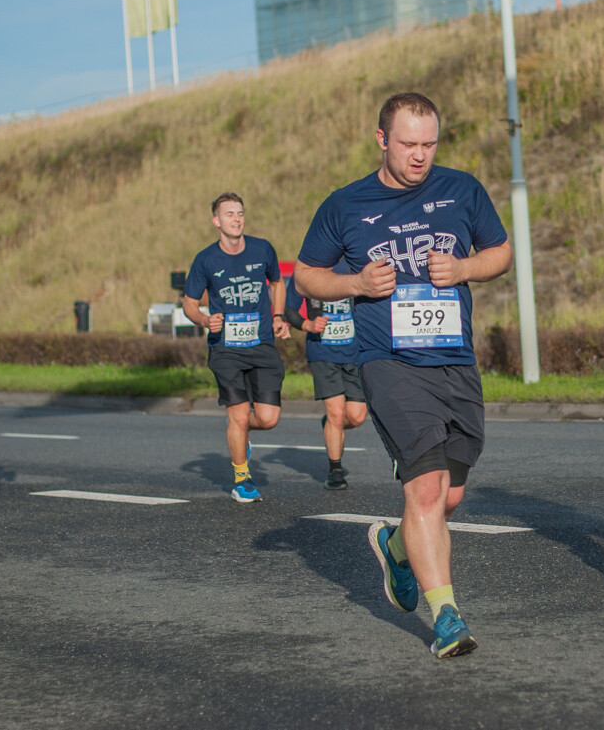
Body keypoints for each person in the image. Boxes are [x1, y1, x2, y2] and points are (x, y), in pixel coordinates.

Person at [295, 92, 511, 658]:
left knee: (451, 495)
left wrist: (464, 267)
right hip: (388, 362)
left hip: (454, 359)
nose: (420, 156)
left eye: (429, 144)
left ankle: (395, 546)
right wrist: (357, 285)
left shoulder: (462, 189)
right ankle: (447, 617)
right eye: (408, 144)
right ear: (382, 140)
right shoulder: (345, 205)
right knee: (425, 488)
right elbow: (306, 276)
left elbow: (501, 252)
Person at [182, 192, 290, 503]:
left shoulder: (262, 249)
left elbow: (277, 283)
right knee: (239, 415)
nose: (237, 218)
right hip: (225, 348)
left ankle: (241, 435)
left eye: (240, 213)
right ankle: (242, 479)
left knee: (268, 418)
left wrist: (279, 316)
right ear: (216, 221)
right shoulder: (206, 259)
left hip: (261, 344)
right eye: (229, 214)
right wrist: (205, 320)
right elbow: (189, 303)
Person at [283, 261, 367, 491]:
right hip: (322, 352)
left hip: (354, 352)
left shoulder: (355, 265)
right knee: (337, 413)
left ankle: (331, 425)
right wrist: (308, 324)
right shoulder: (307, 271)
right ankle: (335, 470)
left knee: (357, 416)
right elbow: (289, 310)